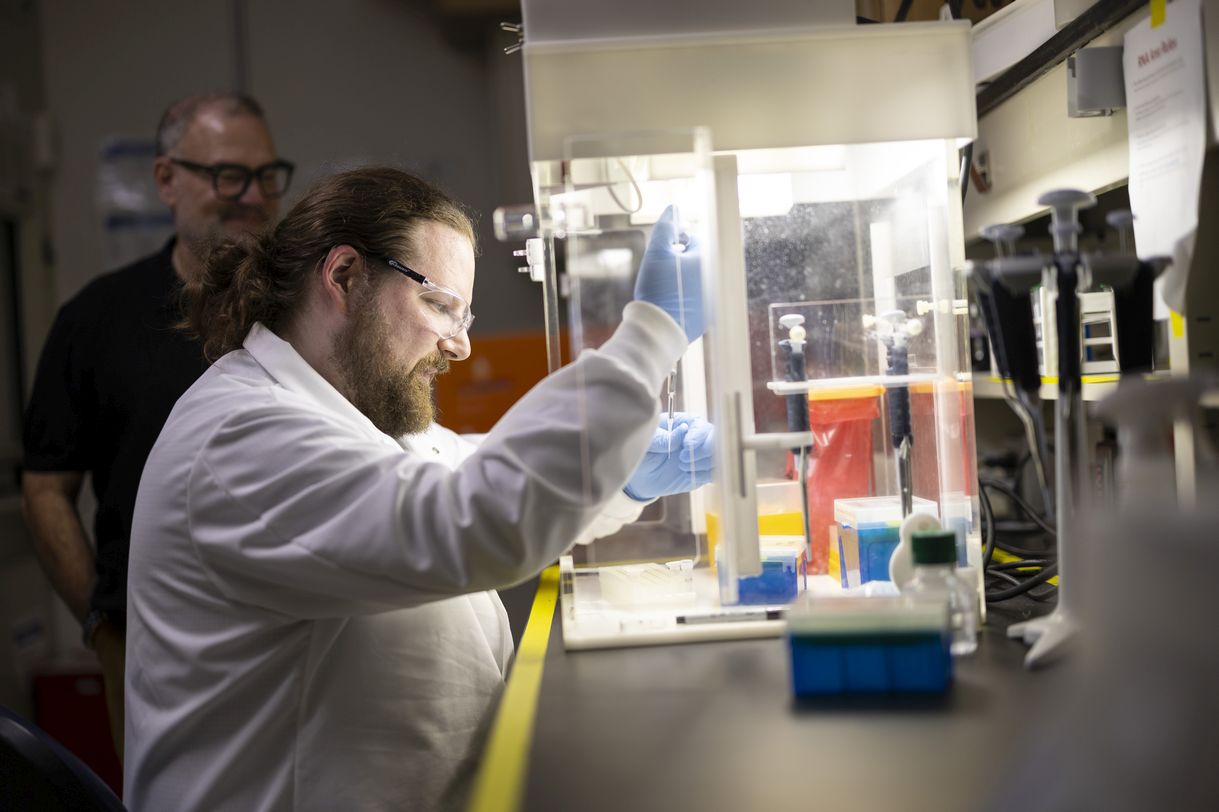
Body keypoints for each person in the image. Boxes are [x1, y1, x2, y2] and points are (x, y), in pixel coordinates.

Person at [121, 167, 712, 811]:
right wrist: (650, 335)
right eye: (441, 306)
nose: (459, 345)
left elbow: (456, 470)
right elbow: (470, 522)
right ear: (345, 276)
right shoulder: (240, 439)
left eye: (466, 314)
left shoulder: (344, 412)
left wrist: (621, 477)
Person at [20, 92, 290, 757]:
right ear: (166, 179)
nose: (251, 195)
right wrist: (102, 625)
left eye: (265, 176)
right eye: (227, 175)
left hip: (296, 623)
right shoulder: (97, 319)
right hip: (151, 648)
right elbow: (46, 488)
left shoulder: (309, 305)